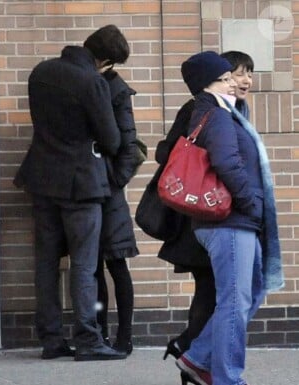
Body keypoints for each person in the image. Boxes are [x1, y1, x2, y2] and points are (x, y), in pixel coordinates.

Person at [13, 26, 126, 362]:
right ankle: (88, 339)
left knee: (45, 263)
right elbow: (112, 139)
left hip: (42, 177)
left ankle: (51, 339)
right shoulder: (91, 81)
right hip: (81, 183)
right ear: (103, 60)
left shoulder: (41, 72)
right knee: (84, 264)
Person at [174, 51, 283, 385]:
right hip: (229, 222)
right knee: (234, 303)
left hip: (234, 223)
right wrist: (252, 203)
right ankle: (227, 379)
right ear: (207, 83)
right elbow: (226, 162)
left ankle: (197, 357)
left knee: (251, 289)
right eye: (226, 78)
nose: (234, 82)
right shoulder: (218, 116)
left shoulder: (222, 113)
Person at [157, 50, 256, 361]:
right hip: (206, 212)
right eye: (235, 74)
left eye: (247, 74)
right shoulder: (202, 110)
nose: (244, 81)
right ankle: (194, 353)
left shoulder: (236, 109)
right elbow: (167, 153)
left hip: (222, 212)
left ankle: (194, 353)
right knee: (212, 290)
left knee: (221, 292)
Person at [93, 25, 142, 356]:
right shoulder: (93, 83)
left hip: (107, 190)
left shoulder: (115, 90)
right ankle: (102, 334)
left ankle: (123, 335)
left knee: (115, 263)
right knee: (93, 265)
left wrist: (114, 180)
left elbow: (131, 144)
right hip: (93, 186)